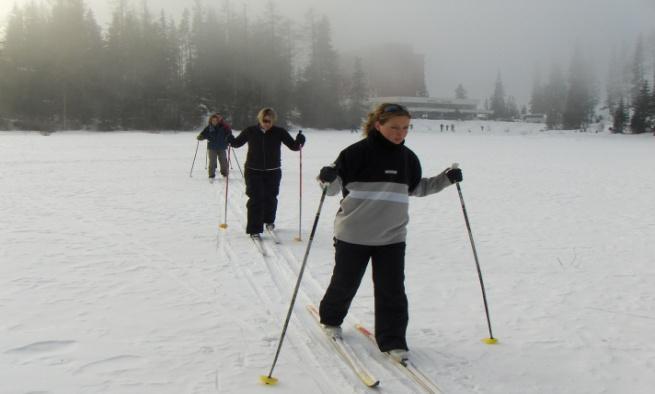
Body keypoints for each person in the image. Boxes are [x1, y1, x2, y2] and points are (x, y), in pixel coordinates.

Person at [316, 103, 463, 361]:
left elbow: (419, 188)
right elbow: (330, 189)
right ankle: (330, 320)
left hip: (392, 237)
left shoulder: (407, 158)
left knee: (392, 289)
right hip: (353, 235)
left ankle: (393, 340)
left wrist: (447, 178)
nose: (400, 133)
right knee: (345, 282)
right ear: (378, 125)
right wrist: (326, 176)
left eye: (405, 128)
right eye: (394, 127)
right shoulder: (355, 153)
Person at [227, 108, 305, 238]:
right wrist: (230, 139)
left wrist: (300, 141)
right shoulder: (250, 131)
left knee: (271, 198)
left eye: (270, 121)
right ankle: (254, 229)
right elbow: (236, 143)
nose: (267, 123)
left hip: (273, 171)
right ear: (260, 119)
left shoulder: (279, 132)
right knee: (255, 199)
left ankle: (269, 221)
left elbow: (294, 146)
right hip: (253, 170)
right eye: (265, 120)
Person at [196, 113, 233, 181]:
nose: (214, 121)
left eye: (216, 120)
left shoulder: (223, 127)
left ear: (218, 120)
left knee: (223, 161)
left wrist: (230, 138)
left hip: (222, 146)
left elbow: (229, 134)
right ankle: (211, 175)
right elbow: (203, 134)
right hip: (212, 147)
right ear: (211, 121)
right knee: (212, 161)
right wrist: (200, 137)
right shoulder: (209, 127)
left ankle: (225, 174)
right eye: (213, 120)